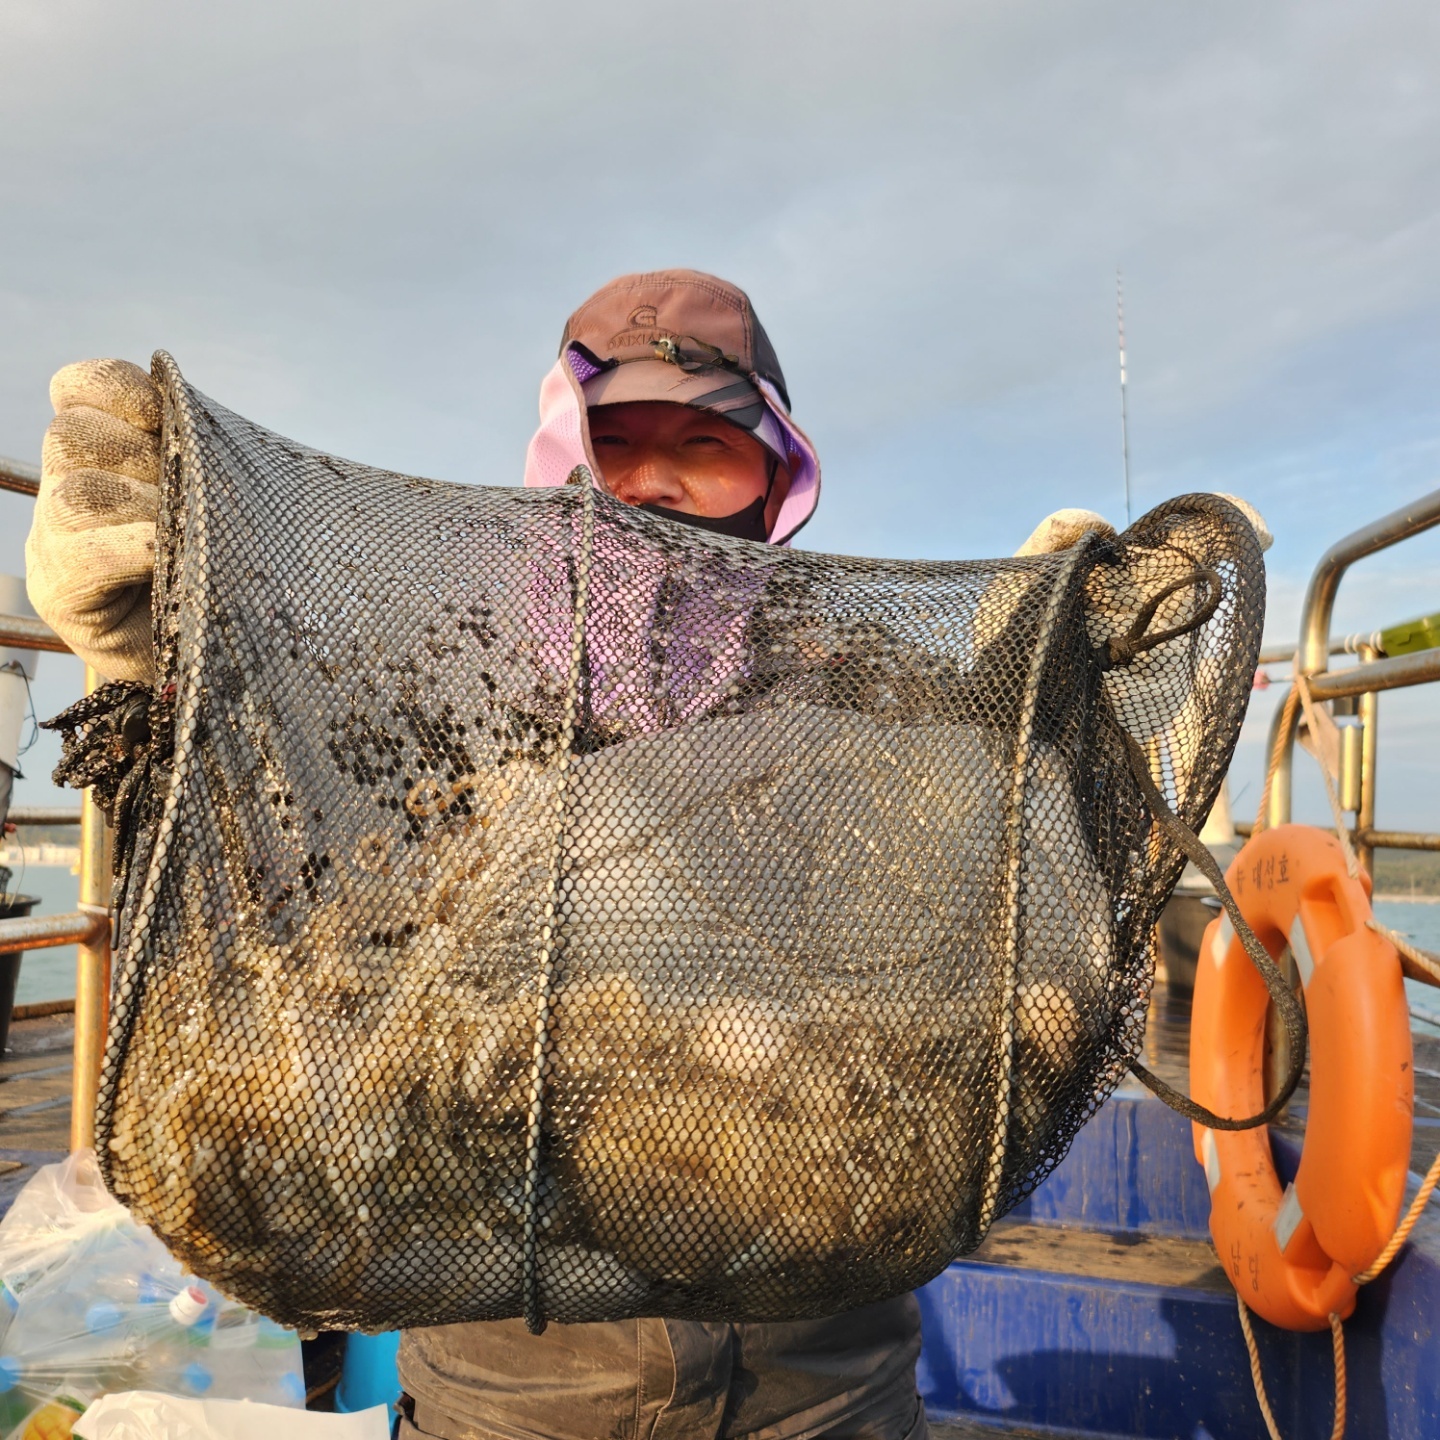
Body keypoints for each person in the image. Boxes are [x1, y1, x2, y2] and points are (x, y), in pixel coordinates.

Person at [27, 269, 1261, 1440]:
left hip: (827, 1371)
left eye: (704, 447)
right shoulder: (430, 675)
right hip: (523, 1380)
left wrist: (1037, 706)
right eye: (616, 444)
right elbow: (274, 884)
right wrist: (157, 673)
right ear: (564, 453)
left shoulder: (876, 686)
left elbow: (1010, 943)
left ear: (772, 475)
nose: (652, 485)